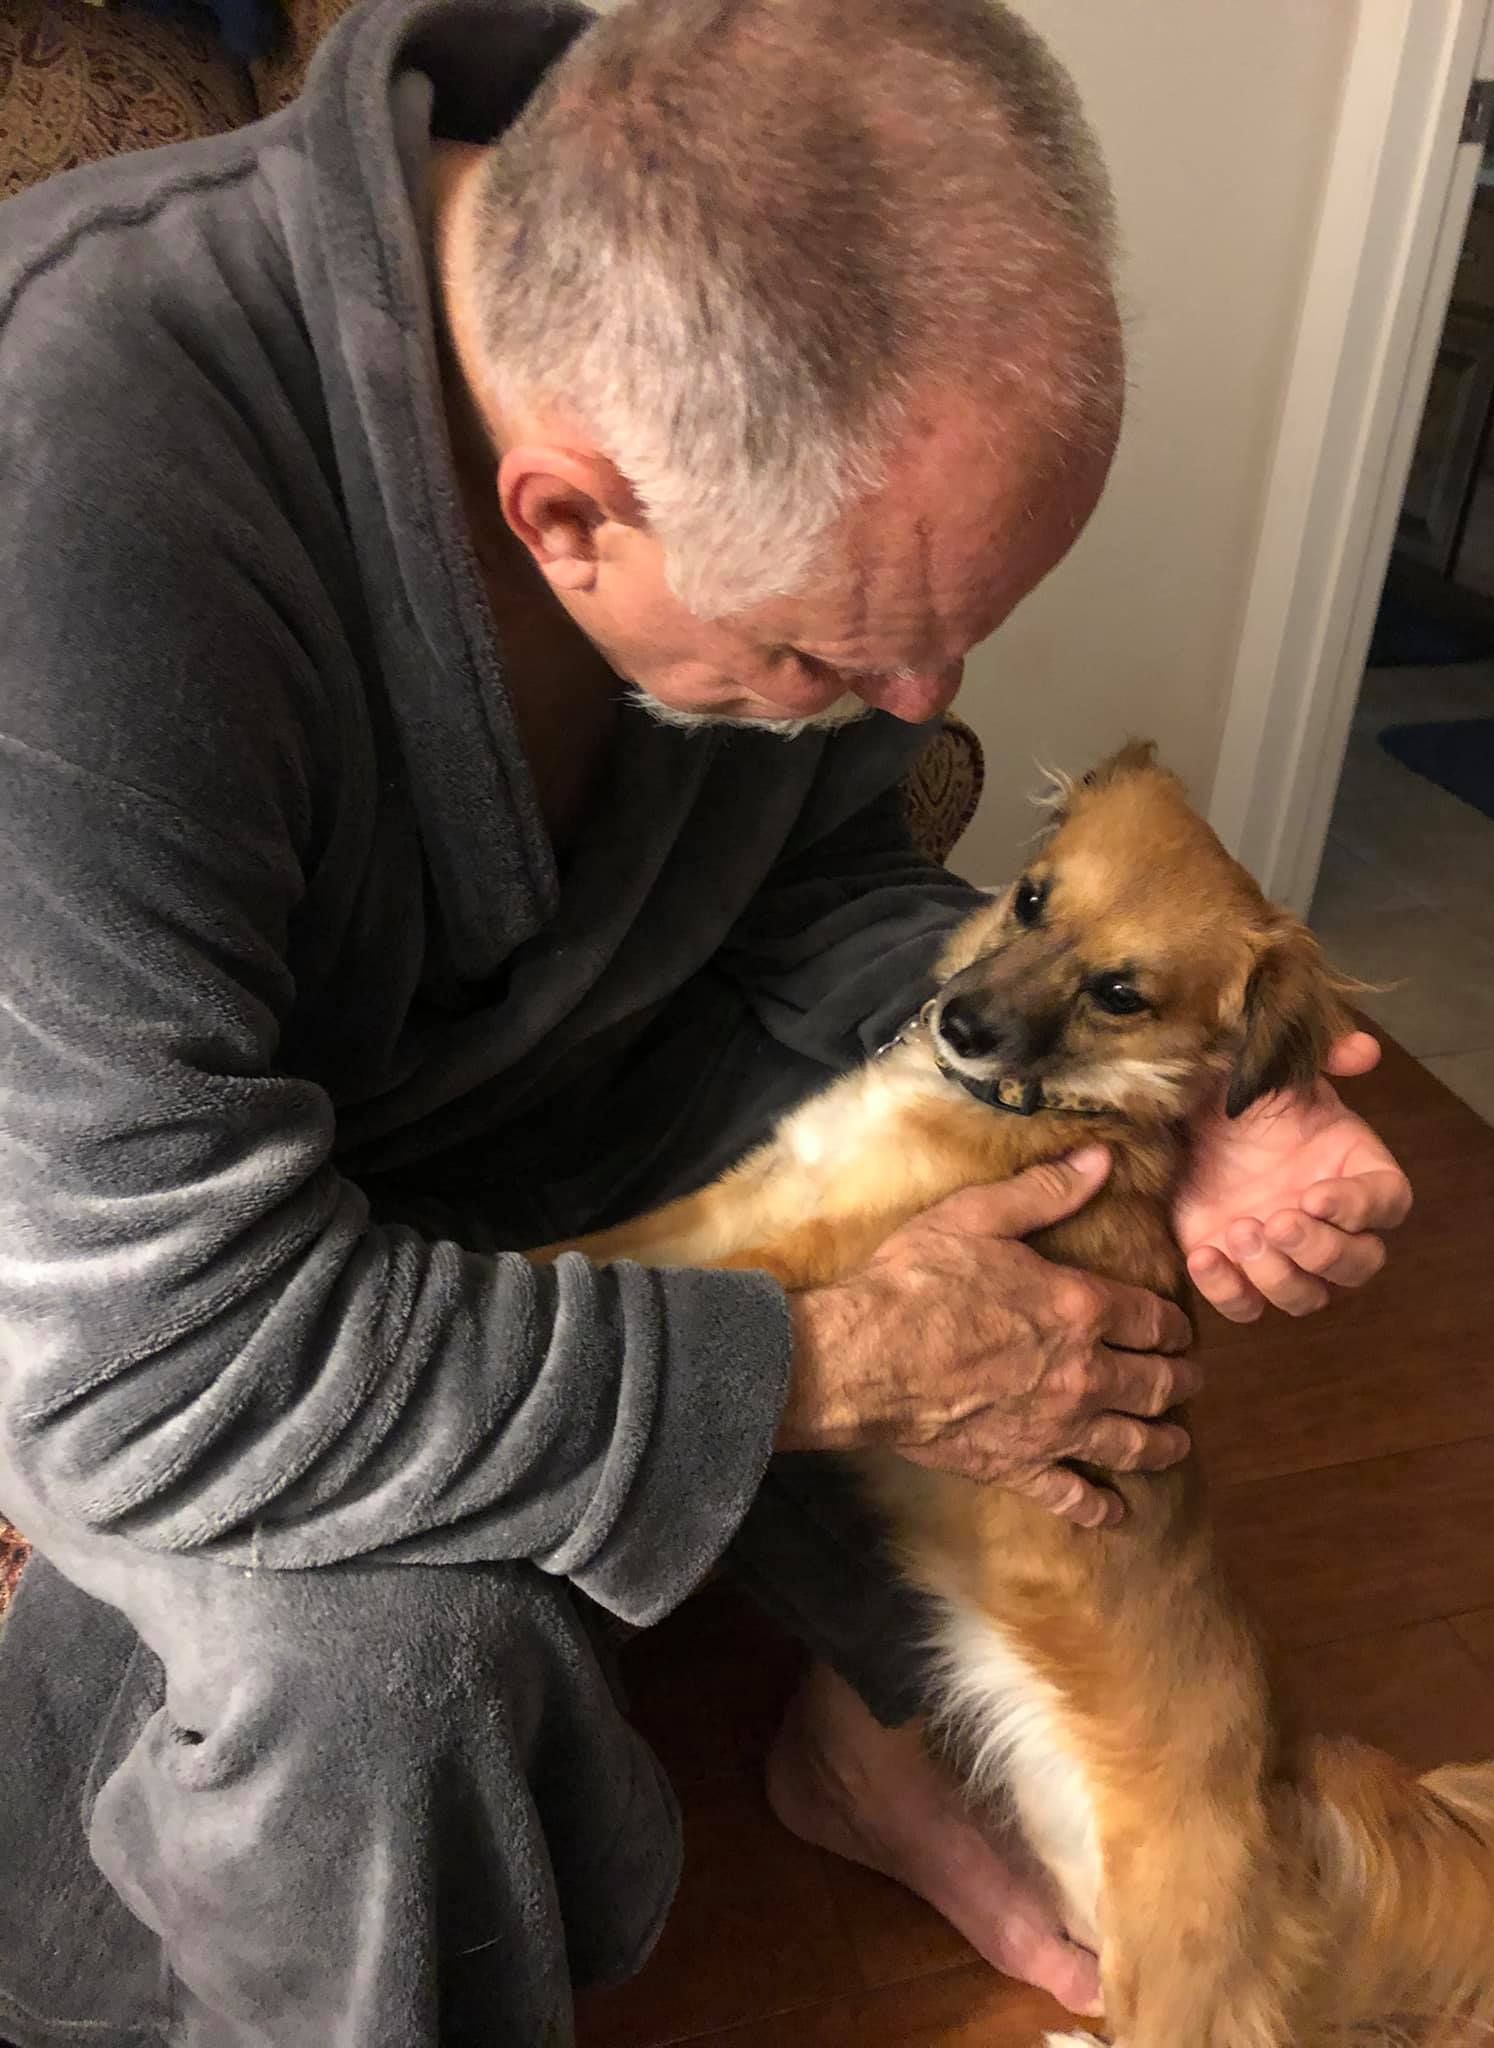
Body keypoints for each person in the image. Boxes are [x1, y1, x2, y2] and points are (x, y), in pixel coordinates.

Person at [0, 0, 1412, 2041]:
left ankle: (879, 1723)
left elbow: (824, 901)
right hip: (130, 1274)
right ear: (565, 514)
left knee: (1069, 1198)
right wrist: (812, 1363)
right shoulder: (77, 521)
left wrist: (1178, 1100)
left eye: (958, 641)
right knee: (387, 1665)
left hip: (546, 1106)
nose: (928, 710)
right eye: (846, 652)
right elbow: (145, 1376)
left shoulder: (714, 345)